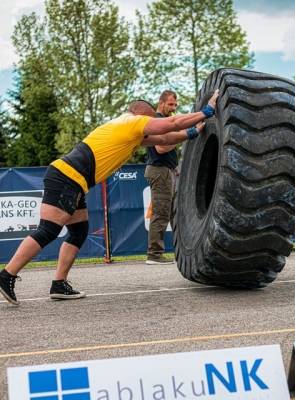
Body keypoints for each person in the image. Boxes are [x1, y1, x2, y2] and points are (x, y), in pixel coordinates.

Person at [0, 90, 219, 306]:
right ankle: (7, 275)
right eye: (151, 120)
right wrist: (206, 111)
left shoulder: (128, 130)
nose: (151, 125)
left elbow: (164, 138)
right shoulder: (132, 122)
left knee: (78, 231)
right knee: (48, 230)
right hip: (67, 177)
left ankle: (59, 284)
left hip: (75, 180)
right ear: (142, 115)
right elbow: (170, 124)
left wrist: (191, 132)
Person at [145, 90, 180, 265]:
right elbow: (161, 148)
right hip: (159, 171)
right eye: (171, 104)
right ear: (161, 103)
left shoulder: (164, 121)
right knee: (161, 213)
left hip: (167, 170)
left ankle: (178, 251)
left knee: (173, 213)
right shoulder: (157, 121)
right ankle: (154, 255)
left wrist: (175, 167)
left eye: (175, 104)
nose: (173, 108)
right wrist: (183, 135)